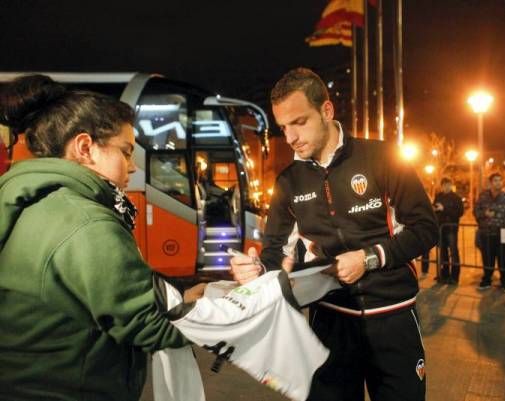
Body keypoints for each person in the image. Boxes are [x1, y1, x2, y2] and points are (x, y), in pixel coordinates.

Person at [230, 68, 438, 401]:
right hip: (329, 322)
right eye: (283, 127)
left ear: (327, 111)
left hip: (392, 315)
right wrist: (257, 271)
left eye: (300, 122)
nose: (291, 137)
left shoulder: (383, 158)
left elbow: (426, 228)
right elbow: (275, 251)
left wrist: (368, 258)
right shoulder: (288, 182)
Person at [0, 75, 205, 400]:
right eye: (125, 152)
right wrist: (207, 311)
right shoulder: (86, 221)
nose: (133, 167)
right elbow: (150, 328)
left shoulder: (34, 201)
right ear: (85, 148)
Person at [474, 172, 505, 291]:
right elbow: (476, 210)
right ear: (490, 183)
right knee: (487, 258)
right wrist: (484, 214)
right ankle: (487, 280)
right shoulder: (483, 196)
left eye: (499, 180)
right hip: (486, 233)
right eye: (495, 180)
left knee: (504, 259)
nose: (498, 182)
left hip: (502, 234)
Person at [432, 177, 464, 284]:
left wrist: (444, 209)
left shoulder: (456, 198)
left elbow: (460, 212)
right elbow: (435, 209)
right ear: (441, 186)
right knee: (443, 252)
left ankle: (455, 276)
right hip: (440, 229)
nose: (446, 187)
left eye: (448, 184)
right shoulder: (438, 196)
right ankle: (444, 274)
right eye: (444, 185)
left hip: (451, 229)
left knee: (454, 252)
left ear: (451, 185)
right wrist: (435, 209)